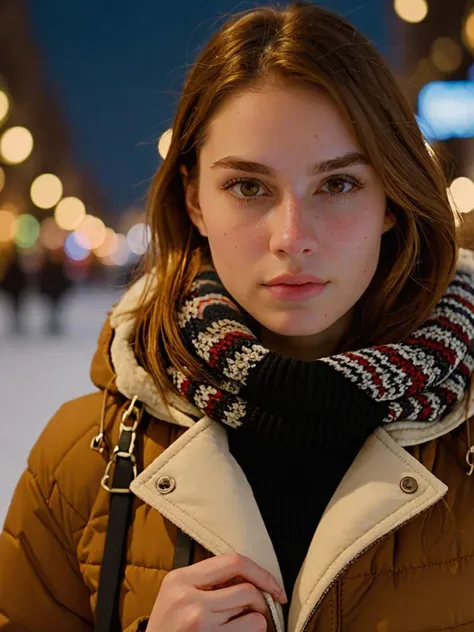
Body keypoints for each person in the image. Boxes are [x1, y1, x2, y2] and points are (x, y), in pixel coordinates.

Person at [1, 3, 474, 631]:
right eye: (249, 187)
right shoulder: (79, 463)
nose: (291, 236)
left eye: (337, 185)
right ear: (195, 200)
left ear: (391, 198)